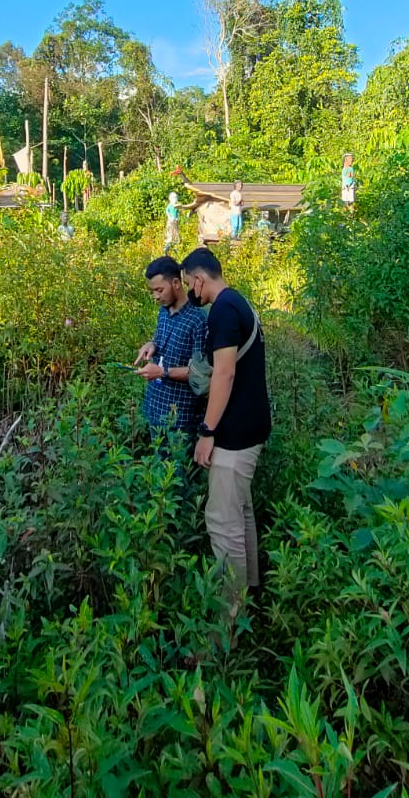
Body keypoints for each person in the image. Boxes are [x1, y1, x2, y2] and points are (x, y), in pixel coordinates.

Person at [180, 247, 271, 592]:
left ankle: (227, 623)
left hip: (235, 434)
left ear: (200, 280)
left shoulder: (222, 312)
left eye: (190, 284)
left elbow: (224, 374)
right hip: (251, 425)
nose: (190, 291)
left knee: (222, 522)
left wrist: (207, 430)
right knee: (240, 514)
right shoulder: (239, 303)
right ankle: (250, 594)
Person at [134, 256, 208, 440]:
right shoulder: (164, 311)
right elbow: (160, 340)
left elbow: (201, 374)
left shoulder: (198, 320)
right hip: (155, 409)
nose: (156, 296)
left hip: (181, 420)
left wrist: (162, 372)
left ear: (176, 283)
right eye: (152, 291)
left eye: (159, 290)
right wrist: (152, 345)